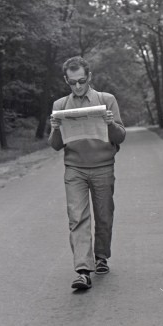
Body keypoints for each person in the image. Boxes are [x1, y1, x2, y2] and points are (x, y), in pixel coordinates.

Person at [49, 56, 126, 290]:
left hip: (103, 166)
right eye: (72, 82)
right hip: (75, 169)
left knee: (104, 215)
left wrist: (110, 123)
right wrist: (55, 129)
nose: (78, 86)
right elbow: (55, 145)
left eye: (82, 81)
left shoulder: (106, 100)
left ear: (89, 77)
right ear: (66, 80)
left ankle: (101, 257)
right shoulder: (60, 105)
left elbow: (121, 137)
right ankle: (83, 271)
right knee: (77, 217)